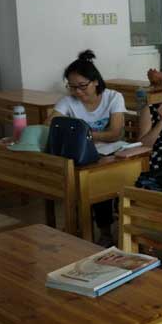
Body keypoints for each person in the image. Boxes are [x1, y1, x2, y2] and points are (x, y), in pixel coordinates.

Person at [48, 50, 126, 246]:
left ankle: (105, 231)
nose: (77, 92)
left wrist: (82, 135)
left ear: (96, 81)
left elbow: (115, 133)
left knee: (99, 182)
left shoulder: (113, 97)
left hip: (111, 152)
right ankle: (82, 228)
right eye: (72, 87)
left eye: (82, 86)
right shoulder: (68, 101)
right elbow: (50, 124)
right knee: (81, 182)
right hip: (81, 155)